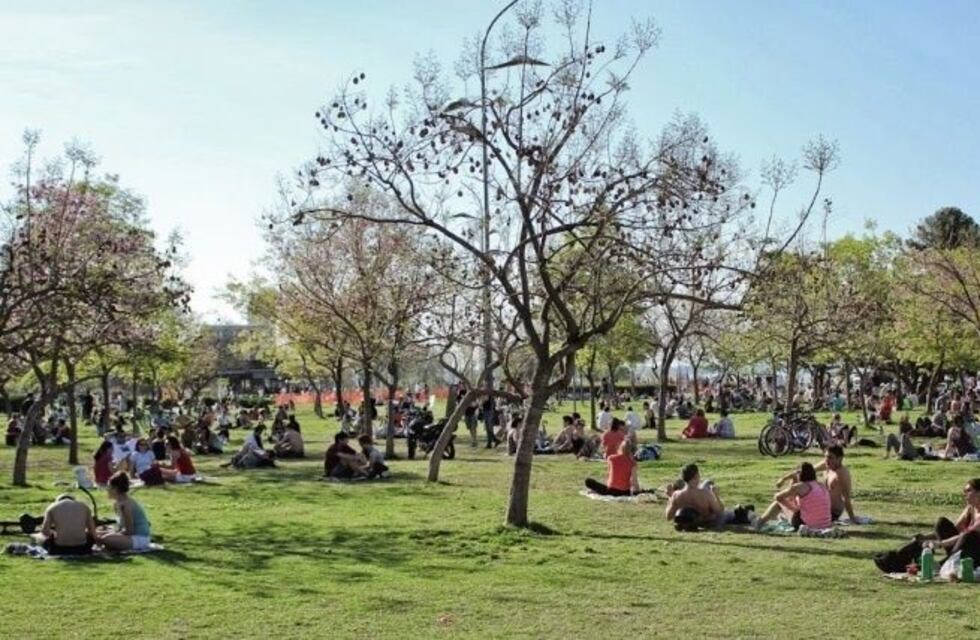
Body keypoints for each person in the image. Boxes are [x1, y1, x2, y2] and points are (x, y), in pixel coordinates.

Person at [777, 445, 857, 522]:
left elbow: (846, 498)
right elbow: (804, 471)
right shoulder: (827, 464)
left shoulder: (841, 474)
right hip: (821, 507)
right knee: (795, 482)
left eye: (830, 457)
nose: (827, 460)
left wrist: (852, 518)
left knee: (781, 500)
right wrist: (783, 479)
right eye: (825, 457)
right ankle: (789, 510)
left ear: (839, 459)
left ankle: (788, 513)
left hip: (832, 512)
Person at [755, 462, 832, 530]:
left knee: (778, 502)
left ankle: (760, 522)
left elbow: (778, 497)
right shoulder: (821, 485)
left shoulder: (799, 487)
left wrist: (792, 508)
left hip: (805, 524)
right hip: (825, 524)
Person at [665, 463, 739, 530]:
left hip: (693, 523)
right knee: (728, 513)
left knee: (707, 483)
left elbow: (668, 517)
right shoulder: (705, 494)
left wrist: (670, 497)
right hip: (708, 523)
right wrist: (716, 495)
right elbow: (719, 511)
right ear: (696, 476)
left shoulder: (676, 495)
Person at [97, 472, 152, 552]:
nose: (107, 490)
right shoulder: (117, 504)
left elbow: (129, 531)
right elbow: (121, 528)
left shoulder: (126, 505)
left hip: (139, 538)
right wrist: (106, 532)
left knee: (106, 539)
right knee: (98, 534)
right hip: (129, 536)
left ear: (115, 489)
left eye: (109, 487)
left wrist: (111, 534)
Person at [31, 494, 98, 556]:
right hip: (83, 548)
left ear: (57, 501)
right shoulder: (84, 507)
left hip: (59, 548)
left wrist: (53, 532)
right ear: (73, 500)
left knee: (39, 536)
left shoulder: (52, 507)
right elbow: (92, 532)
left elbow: (45, 532)